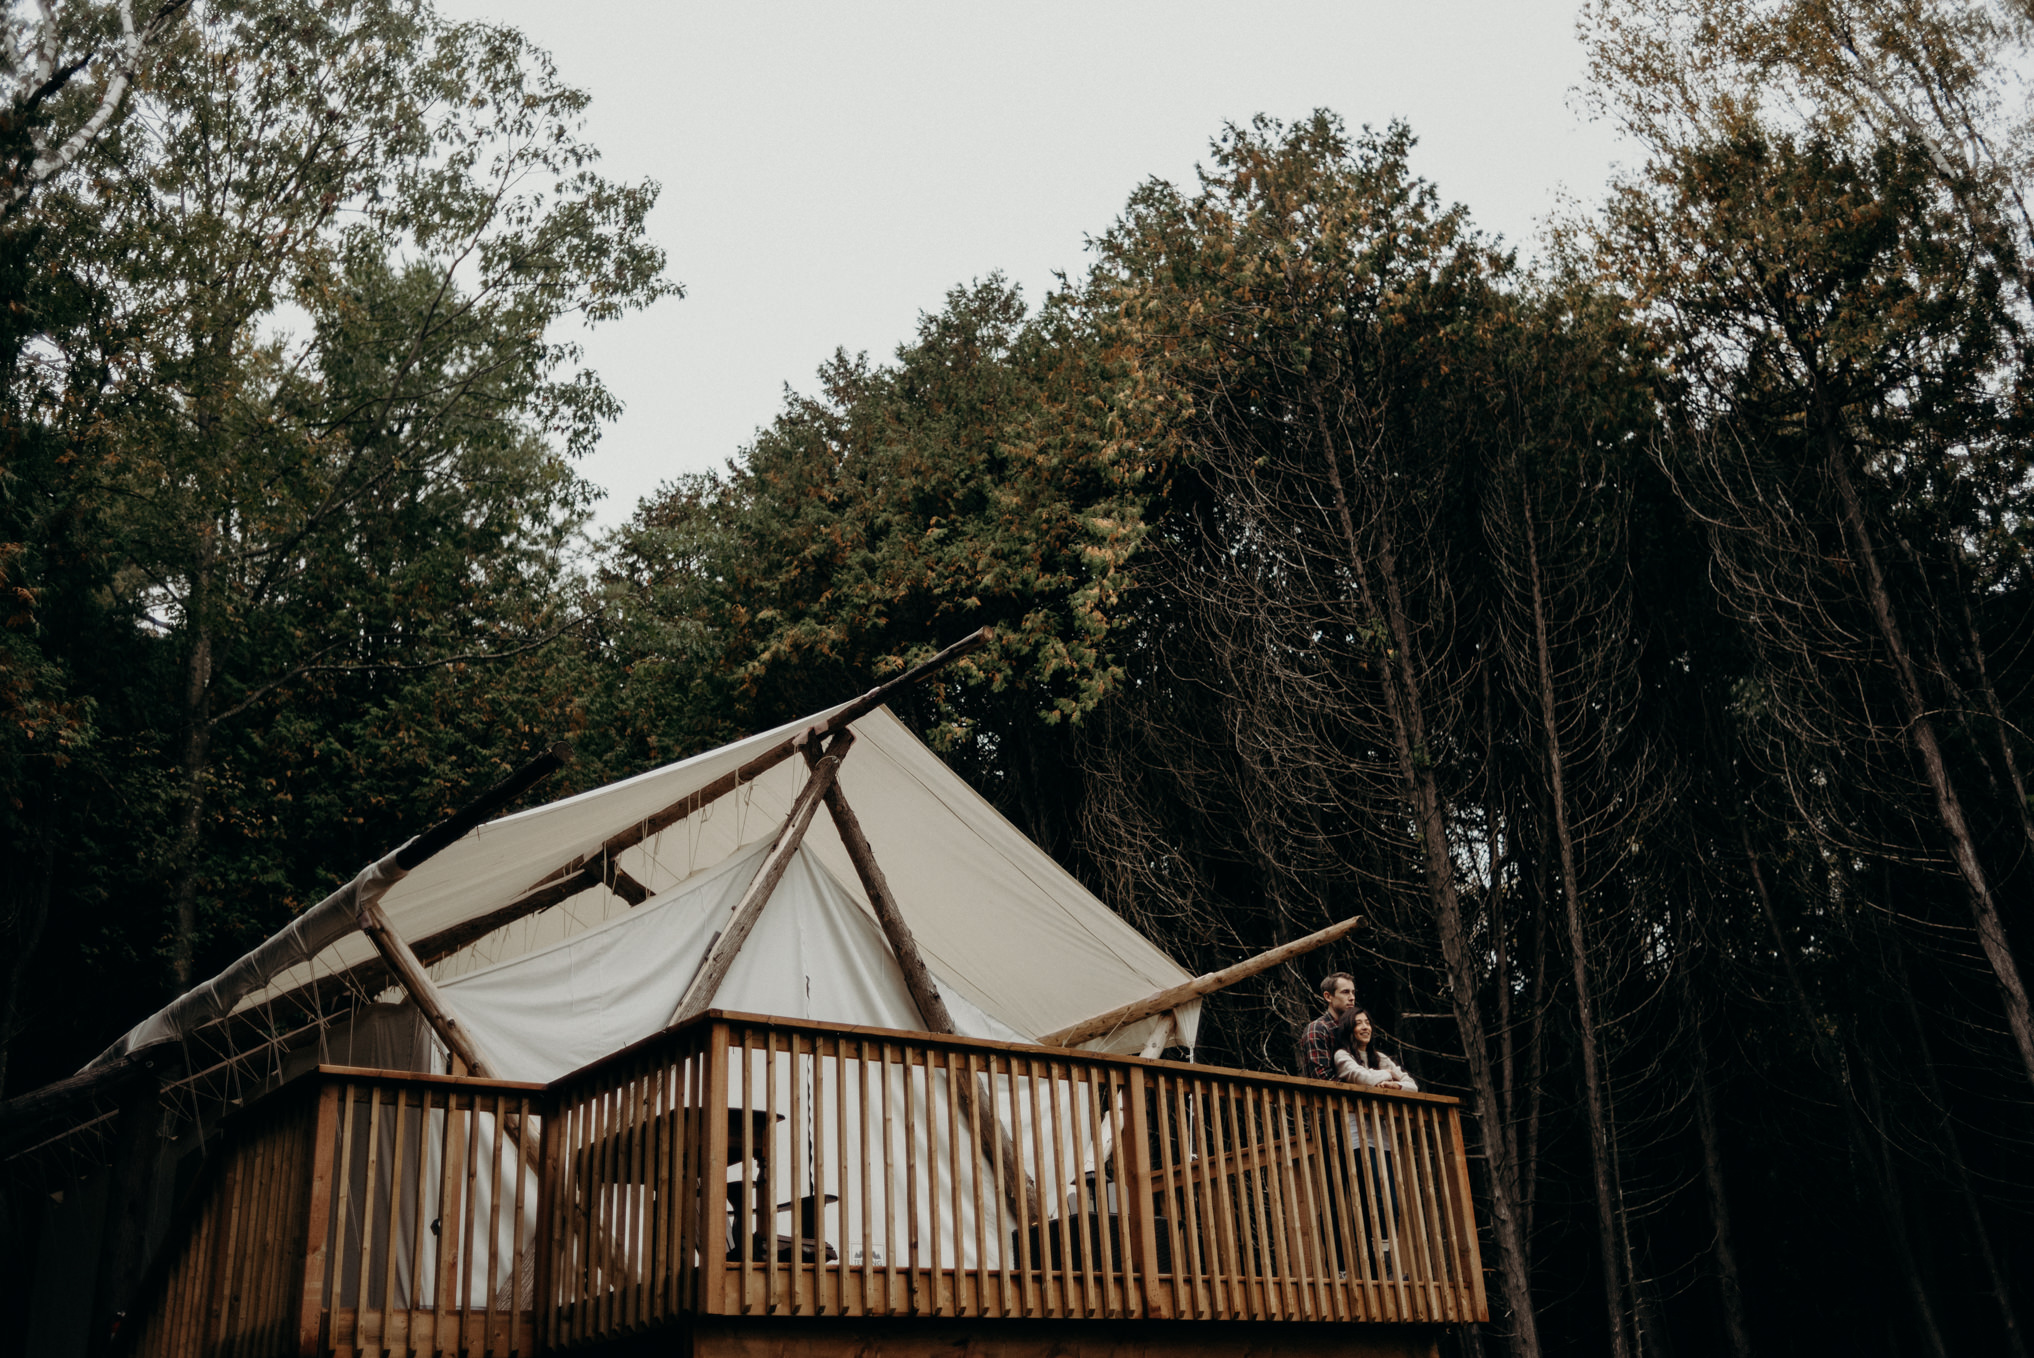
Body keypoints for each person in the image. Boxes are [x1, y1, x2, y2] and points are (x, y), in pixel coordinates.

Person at [1331, 1007, 1417, 1092]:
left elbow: (1413, 1087)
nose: (1365, 1027)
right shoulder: (1342, 1055)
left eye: (1367, 1023)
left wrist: (1396, 1086)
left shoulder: (1380, 1057)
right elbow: (1363, 1078)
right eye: (1358, 1023)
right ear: (1348, 1029)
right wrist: (1389, 1073)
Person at [1299, 972, 1358, 1080]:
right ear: (1328, 996)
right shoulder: (1318, 1029)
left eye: (1353, 992)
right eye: (1345, 992)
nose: (1352, 997)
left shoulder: (1355, 1029)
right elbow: (1321, 1077)